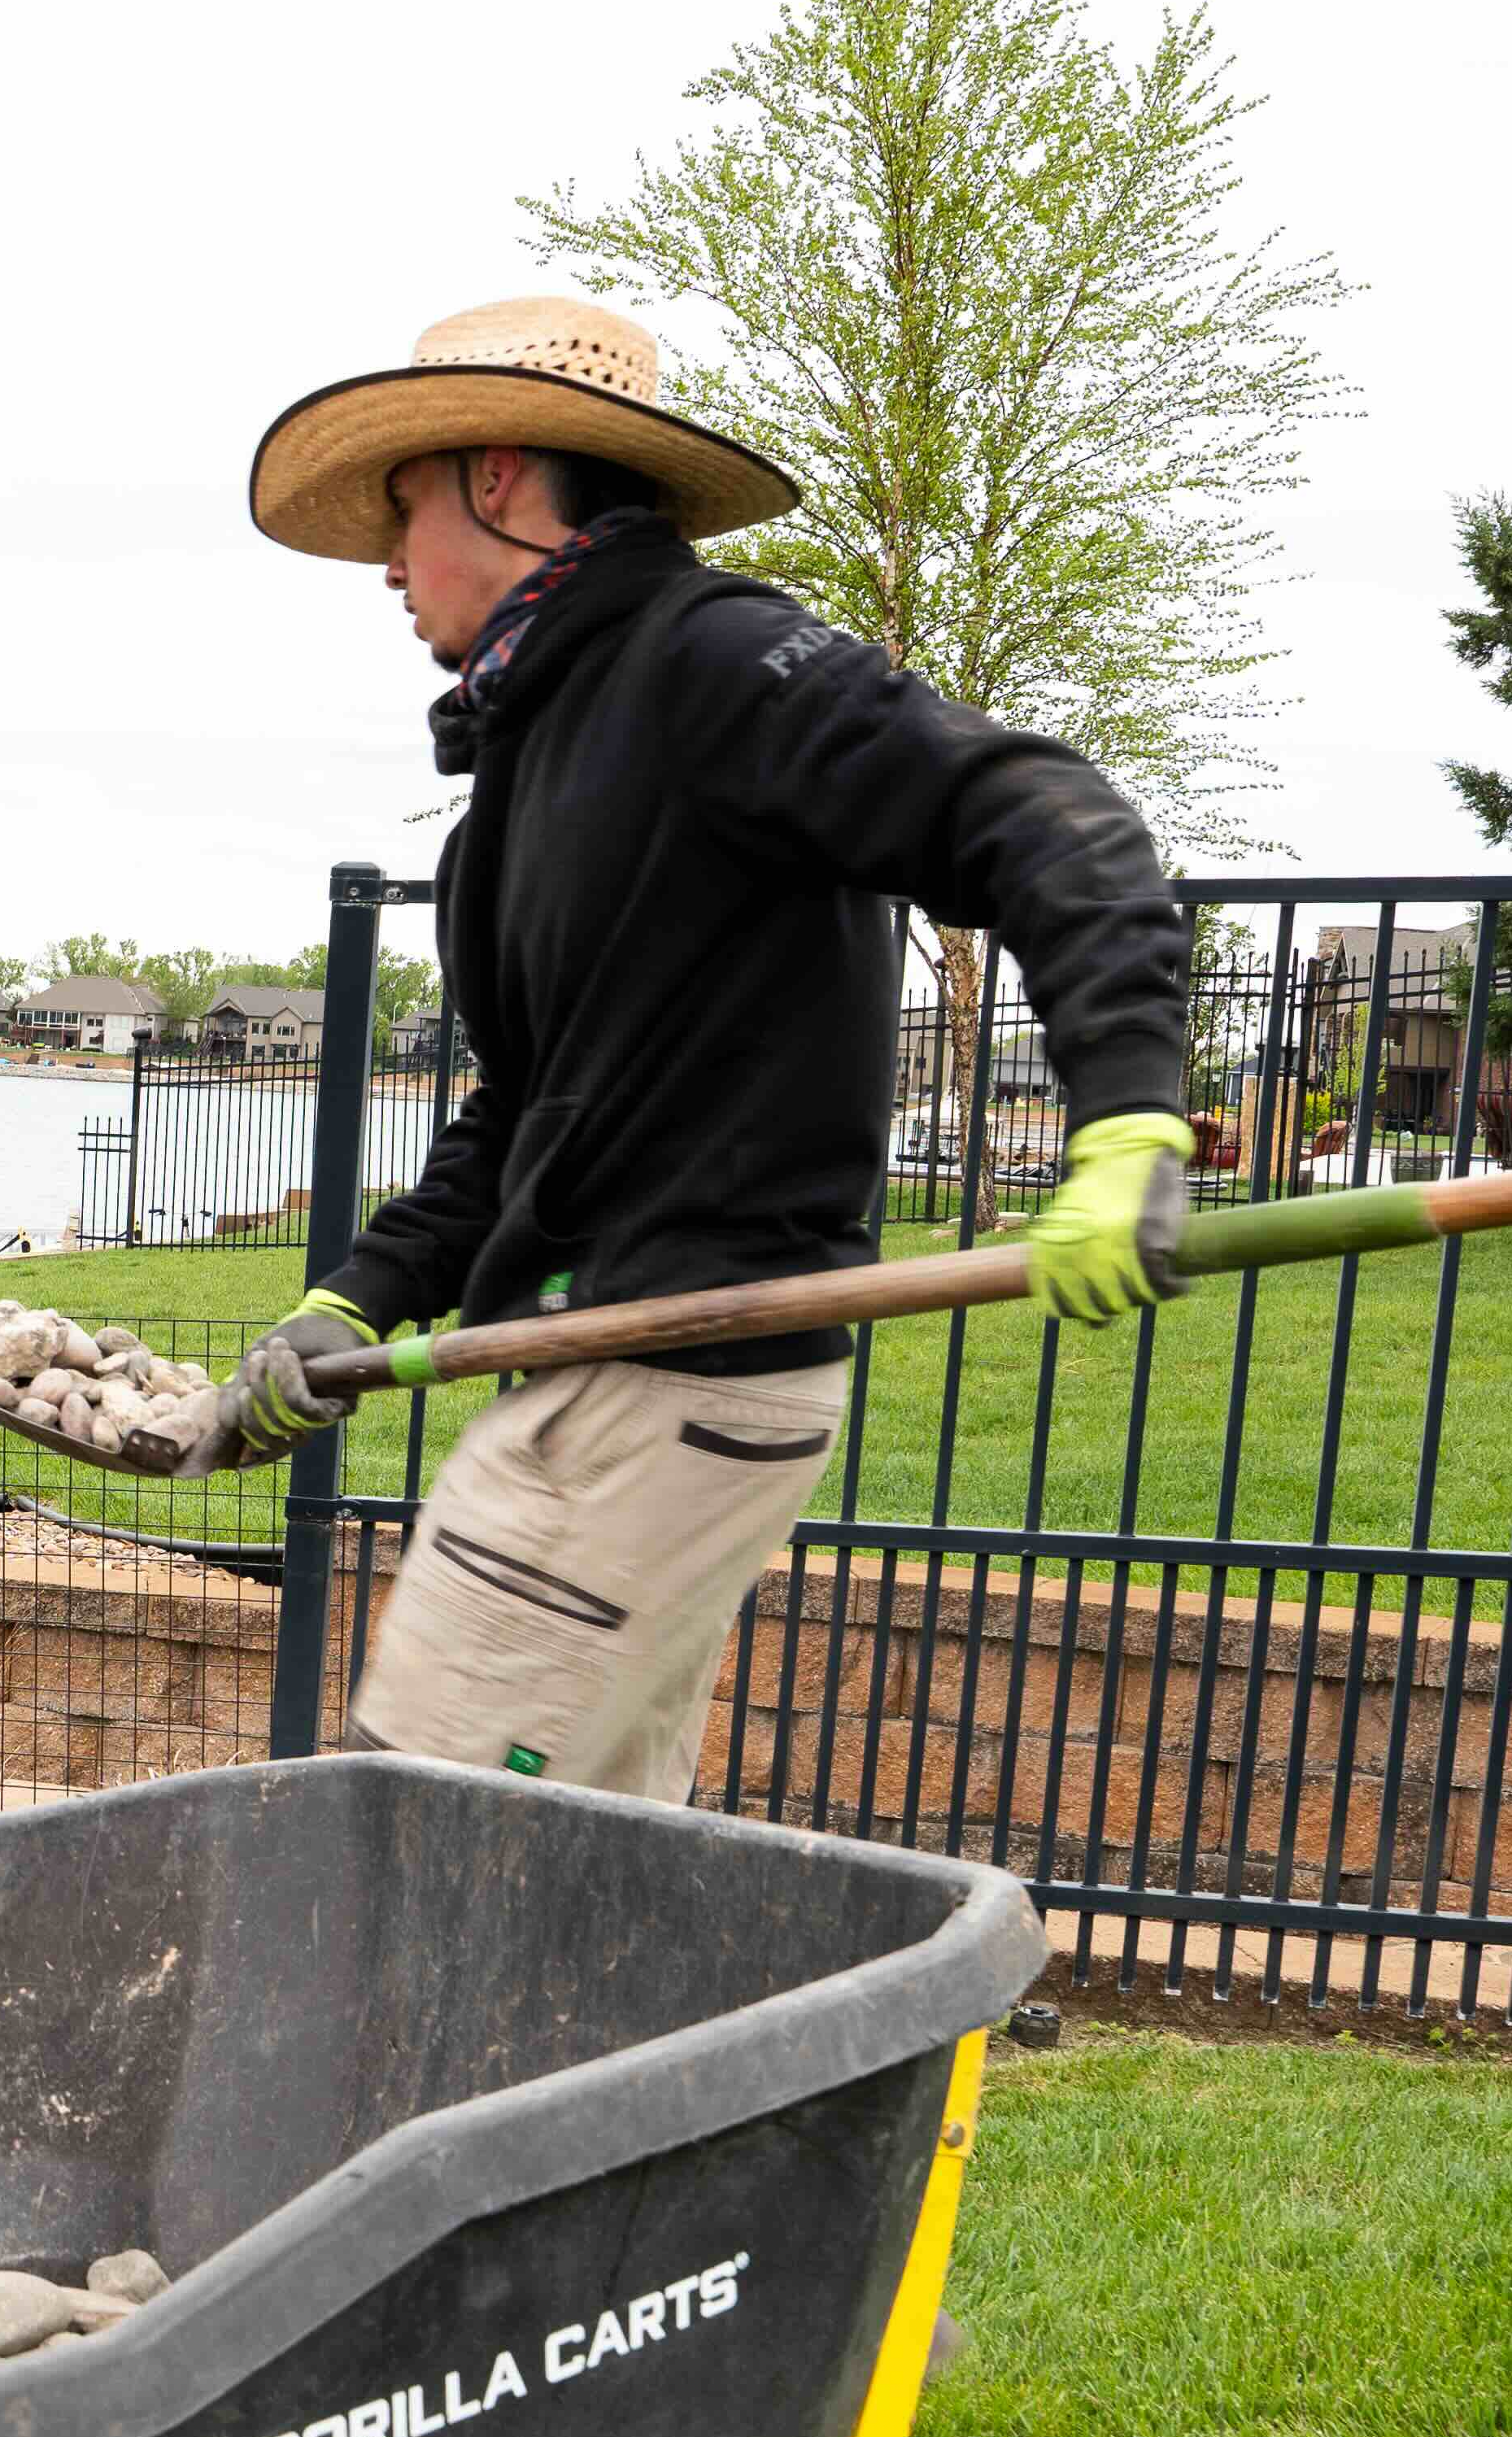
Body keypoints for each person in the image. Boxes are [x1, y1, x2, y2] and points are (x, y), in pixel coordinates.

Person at [208, 294, 1196, 1799]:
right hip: (587, 1364)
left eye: (400, 514)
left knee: (412, 1819)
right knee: (587, 1856)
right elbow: (532, 1113)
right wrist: (352, 1300)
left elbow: (1042, 818)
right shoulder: (509, 804)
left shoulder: (716, 665)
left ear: (494, 474)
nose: (388, 570)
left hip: (673, 1378)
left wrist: (1127, 1117)